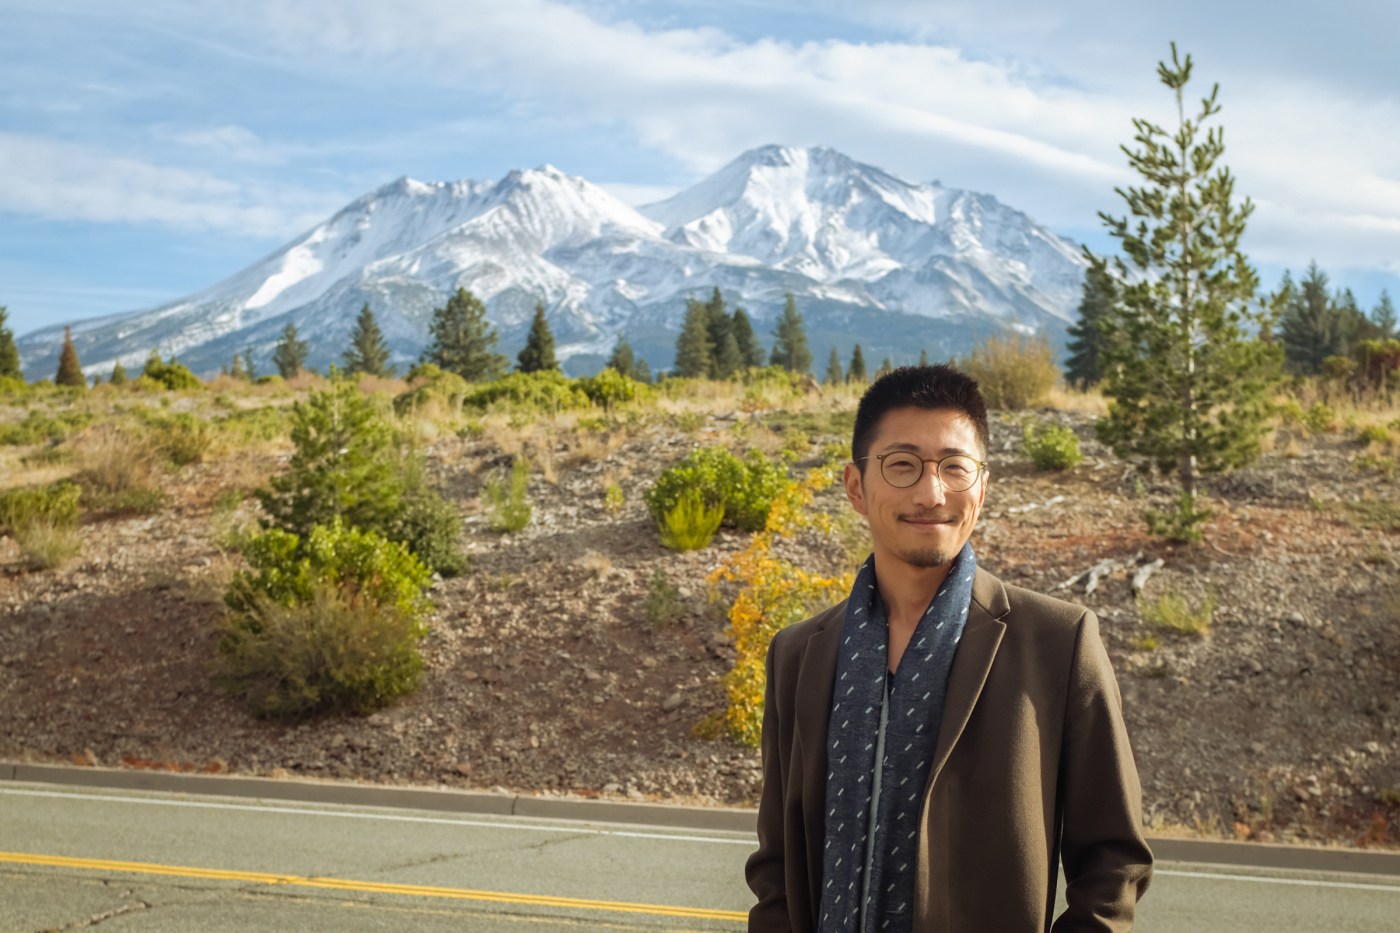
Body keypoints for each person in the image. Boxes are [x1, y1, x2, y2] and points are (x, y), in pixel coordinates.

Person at [746, 364, 1152, 932]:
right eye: (903, 464)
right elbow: (776, 866)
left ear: (981, 488)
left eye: (954, 468)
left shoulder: (1058, 644)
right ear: (856, 487)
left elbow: (1114, 860)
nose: (931, 493)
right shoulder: (798, 655)